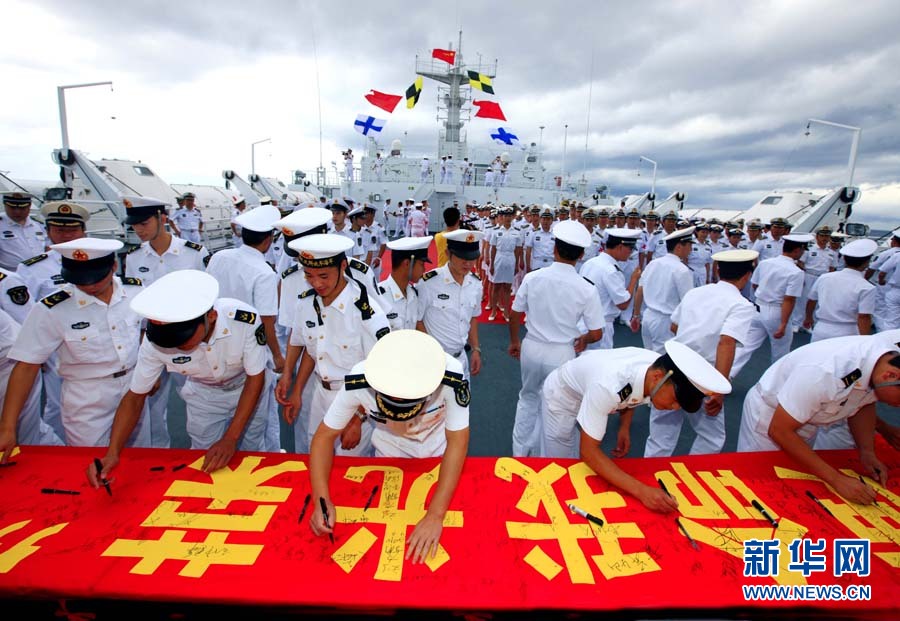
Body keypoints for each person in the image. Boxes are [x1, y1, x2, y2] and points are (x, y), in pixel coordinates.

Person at [88, 270, 272, 484]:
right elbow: (135, 397)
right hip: (204, 394)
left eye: (183, 337)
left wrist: (230, 438)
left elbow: (255, 377)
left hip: (246, 387)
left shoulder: (243, 320)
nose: (176, 345)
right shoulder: (157, 341)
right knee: (203, 455)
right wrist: (112, 452)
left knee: (253, 446)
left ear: (211, 317)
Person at [308, 330, 469, 562]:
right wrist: (321, 501)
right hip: (389, 450)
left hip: (437, 451)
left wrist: (435, 515)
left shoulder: (451, 376)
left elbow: (458, 441)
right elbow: (323, 438)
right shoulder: (359, 380)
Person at [540, 341, 731, 511]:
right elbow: (589, 452)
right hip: (563, 398)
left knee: (578, 461)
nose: (675, 408)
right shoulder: (610, 385)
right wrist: (642, 491)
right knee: (561, 466)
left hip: (593, 392)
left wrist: (624, 427)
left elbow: (632, 392)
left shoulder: (656, 371)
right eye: (675, 400)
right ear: (657, 378)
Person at [0, 238, 149, 452]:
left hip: (134, 386)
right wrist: (7, 427)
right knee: (91, 458)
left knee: (141, 455)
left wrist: (147, 371)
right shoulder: (52, 309)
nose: (89, 286)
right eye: (80, 280)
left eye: (96, 278)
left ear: (114, 266)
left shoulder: (135, 291)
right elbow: (26, 366)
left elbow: (145, 329)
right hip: (88, 397)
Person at [736, 335, 897, 504]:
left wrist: (867, 452)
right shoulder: (827, 372)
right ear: (889, 376)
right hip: (771, 417)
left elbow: (863, 402)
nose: (898, 406)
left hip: (807, 417)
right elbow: (780, 431)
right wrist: (837, 480)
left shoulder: (883, 363)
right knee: (758, 482)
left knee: (792, 481)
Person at [277, 234, 390, 458]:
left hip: (356, 399)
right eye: (309, 275)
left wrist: (358, 418)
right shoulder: (306, 303)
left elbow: (380, 370)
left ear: (343, 266)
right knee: (316, 455)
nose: (316, 283)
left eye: (323, 276)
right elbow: (311, 351)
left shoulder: (366, 313)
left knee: (349, 467)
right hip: (320, 396)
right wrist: (296, 390)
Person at [644, 250, 758, 456]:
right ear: (747, 275)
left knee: (660, 435)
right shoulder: (741, 305)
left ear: (718, 270)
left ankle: (651, 471)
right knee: (711, 437)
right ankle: (692, 472)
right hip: (702, 375)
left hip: (671, 365)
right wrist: (720, 389)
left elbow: (674, 326)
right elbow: (727, 342)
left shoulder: (695, 293)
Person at [508, 220, 604, 457]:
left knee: (527, 398)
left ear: (554, 249)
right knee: (554, 406)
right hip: (562, 352)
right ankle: (545, 457)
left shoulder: (533, 278)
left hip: (532, 347)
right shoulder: (586, 288)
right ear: (581, 255)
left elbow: (515, 313)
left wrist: (515, 341)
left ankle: (520, 453)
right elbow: (597, 333)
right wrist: (584, 339)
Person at [272, 206, 333, 453]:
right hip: (309, 376)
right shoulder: (291, 279)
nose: (299, 257)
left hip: (349, 375)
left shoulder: (359, 275)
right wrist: (288, 374)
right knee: (308, 439)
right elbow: (295, 335)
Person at [734, 233, 811, 367]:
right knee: (780, 353)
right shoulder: (796, 272)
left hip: (758, 308)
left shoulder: (765, 263)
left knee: (745, 347)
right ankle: (775, 380)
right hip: (777, 311)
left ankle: (726, 372)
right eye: (802, 250)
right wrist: (783, 324)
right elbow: (789, 299)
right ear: (798, 250)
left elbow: (755, 284)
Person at [416, 230, 484, 380]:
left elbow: (473, 317)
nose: (468, 263)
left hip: (461, 360)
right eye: (462, 257)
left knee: (463, 395)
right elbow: (417, 320)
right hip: (435, 361)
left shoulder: (475, 283)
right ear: (448, 253)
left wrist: (475, 349)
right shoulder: (429, 283)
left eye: (472, 258)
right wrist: (431, 353)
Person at [580, 228, 642, 349]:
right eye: (630, 249)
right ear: (620, 247)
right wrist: (633, 280)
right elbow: (623, 304)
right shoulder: (611, 271)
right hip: (601, 326)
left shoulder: (590, 263)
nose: (631, 253)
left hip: (584, 321)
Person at [804, 239, 876, 341]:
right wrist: (865, 341)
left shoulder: (824, 277)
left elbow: (811, 301)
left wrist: (808, 317)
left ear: (844, 259)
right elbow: (864, 316)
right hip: (847, 331)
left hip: (821, 328)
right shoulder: (867, 287)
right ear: (867, 262)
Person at [381, 237, 432, 331]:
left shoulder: (413, 294)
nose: (424, 269)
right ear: (407, 263)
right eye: (421, 264)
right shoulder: (379, 296)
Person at [488, 206, 523, 322]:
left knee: (507, 287)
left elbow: (518, 250)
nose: (508, 218)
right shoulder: (496, 231)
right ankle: (494, 311)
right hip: (499, 257)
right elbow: (493, 249)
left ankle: (506, 312)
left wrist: (516, 264)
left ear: (512, 217)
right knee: (496, 286)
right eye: (505, 216)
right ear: (502, 217)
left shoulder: (517, 232)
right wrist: (492, 264)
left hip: (510, 258)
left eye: (509, 216)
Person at [0, 191, 46, 271]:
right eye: (12, 208)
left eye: (22, 208)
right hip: (10, 274)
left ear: (29, 206)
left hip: (38, 273)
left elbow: (47, 248)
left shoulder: (39, 225)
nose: (17, 211)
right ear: (5, 205)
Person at [869, 229, 900, 331]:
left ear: (893, 241)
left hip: (888, 288)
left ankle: (882, 334)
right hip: (893, 289)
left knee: (882, 313)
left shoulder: (889, 254)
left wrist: (879, 280)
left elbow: (877, 270)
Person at [524, 205, 555, 272]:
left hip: (551, 264)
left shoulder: (556, 234)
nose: (545, 221)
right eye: (544, 219)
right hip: (537, 263)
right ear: (540, 219)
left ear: (552, 221)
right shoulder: (533, 233)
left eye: (548, 219)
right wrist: (528, 266)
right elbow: (528, 251)